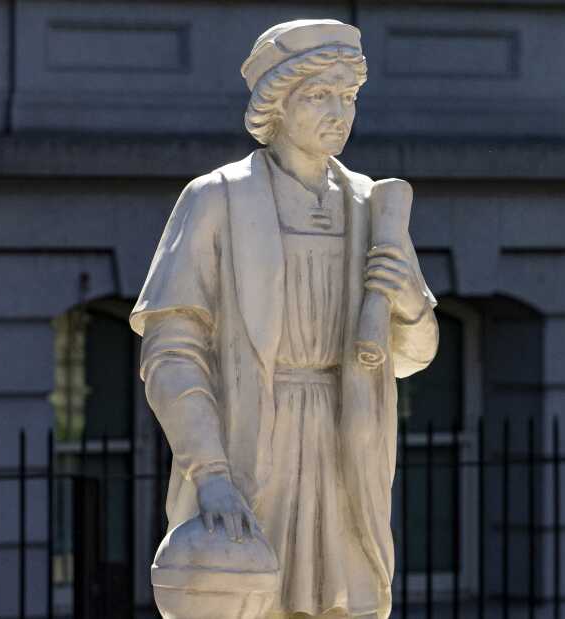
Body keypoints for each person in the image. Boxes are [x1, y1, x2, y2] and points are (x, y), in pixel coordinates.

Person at [129, 19, 439, 619]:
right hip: (255, 442)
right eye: (320, 95)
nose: (339, 112)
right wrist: (211, 472)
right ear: (277, 102)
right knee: (251, 600)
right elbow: (172, 351)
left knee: (342, 604)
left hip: (346, 441)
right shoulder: (217, 198)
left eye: (348, 97)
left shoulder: (372, 205)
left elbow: (413, 353)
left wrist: (410, 304)